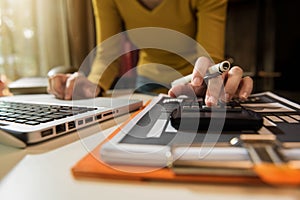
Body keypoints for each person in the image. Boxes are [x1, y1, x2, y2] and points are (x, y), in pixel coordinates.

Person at [47, 0, 253, 106]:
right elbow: (107, 54)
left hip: (192, 83)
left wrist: (204, 83)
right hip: (146, 83)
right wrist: (92, 83)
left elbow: (209, 56)